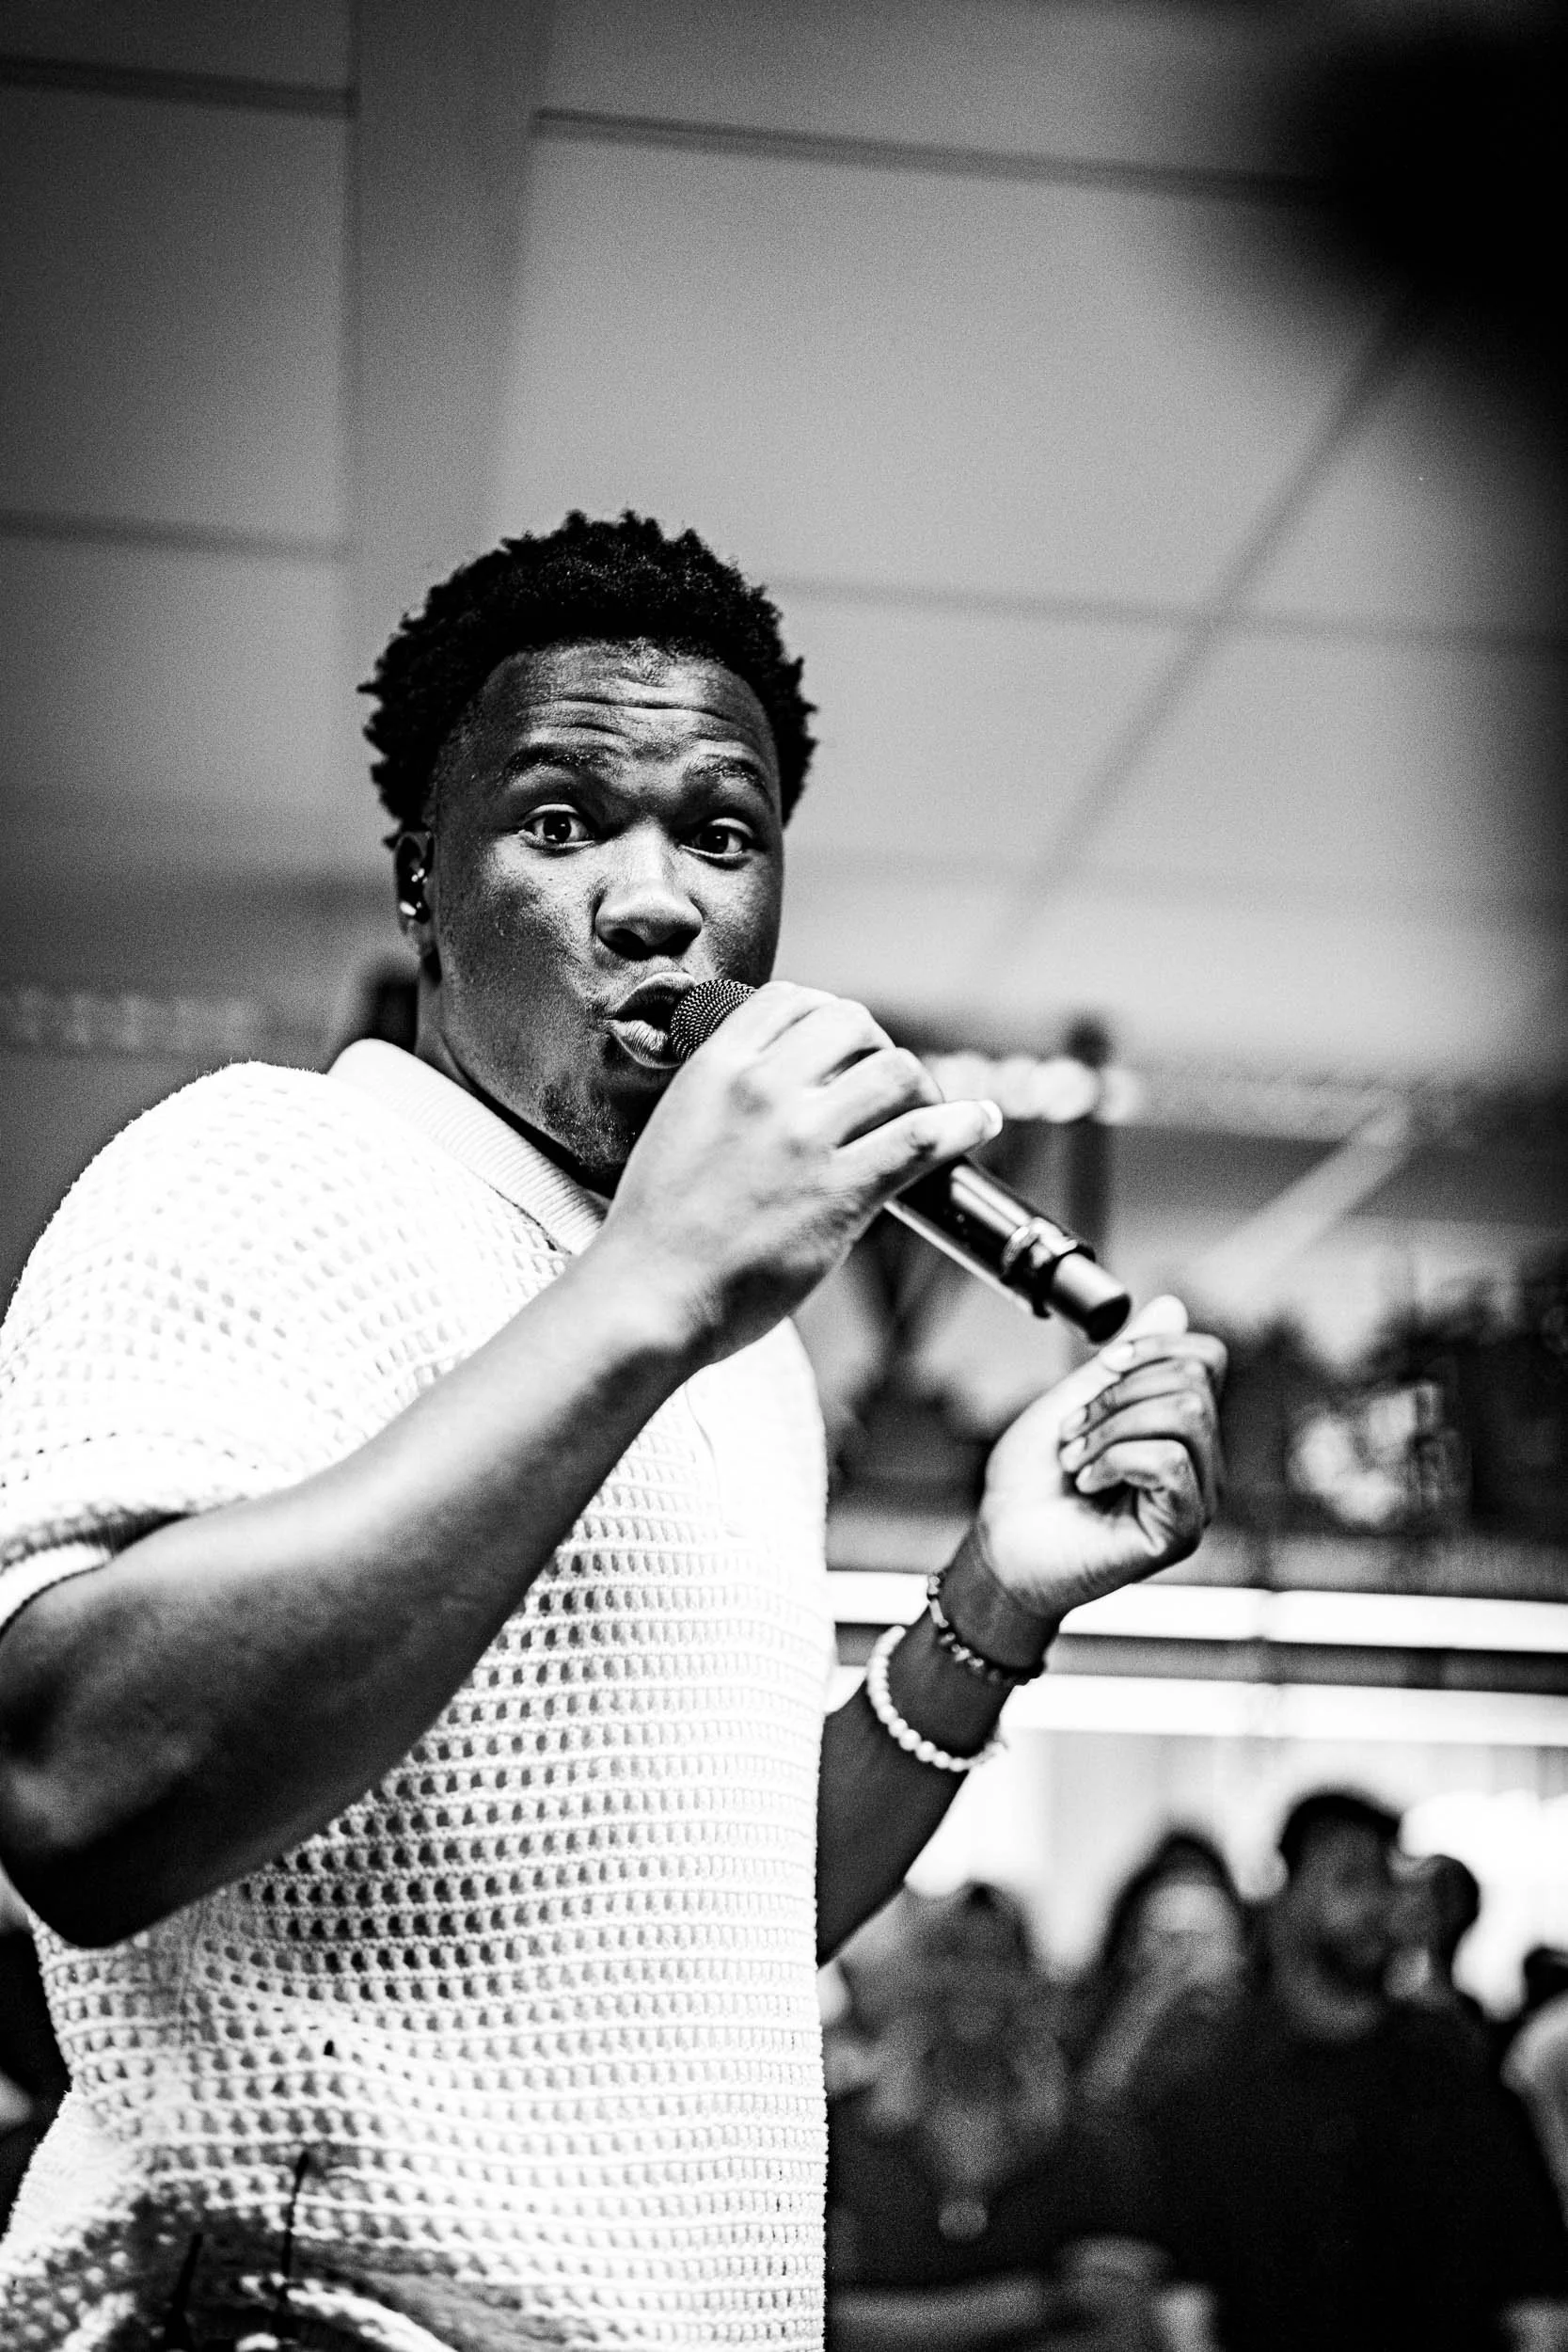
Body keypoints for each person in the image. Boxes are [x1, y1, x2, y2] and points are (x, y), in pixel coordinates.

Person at [0, 514, 1227, 2348]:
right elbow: (74, 1790)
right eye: (561, 819)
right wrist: (646, 1290)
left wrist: (990, 1599)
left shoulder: (742, 1357)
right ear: (422, 874)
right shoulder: (266, 1161)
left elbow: (707, 1932)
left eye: (717, 833)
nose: (653, 897)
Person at [1142, 1788, 1568, 2352]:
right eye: (1350, 1878)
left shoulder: (1454, 2075)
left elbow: (1533, 2291)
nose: (1381, 1906)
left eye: (1388, 1880)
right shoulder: (1219, 2083)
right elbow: (1185, 2305)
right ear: (1285, 1895)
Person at [825, 1883, 1164, 2351]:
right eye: (953, 1955)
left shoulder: (1090, 2136)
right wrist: (1035, 2302)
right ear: (914, 1977)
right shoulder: (846, 2131)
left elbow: (1118, 2327)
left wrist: (911, 2326)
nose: (975, 1978)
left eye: (999, 1959)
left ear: (1032, 1981)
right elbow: (823, 2320)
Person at [1064, 1831, 1249, 2116]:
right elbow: (1093, 2110)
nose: (1187, 1960)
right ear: (1132, 1953)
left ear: (1238, 1953)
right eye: (1171, 1940)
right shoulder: (1090, 2031)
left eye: (1205, 1938)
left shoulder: (1273, 2035)